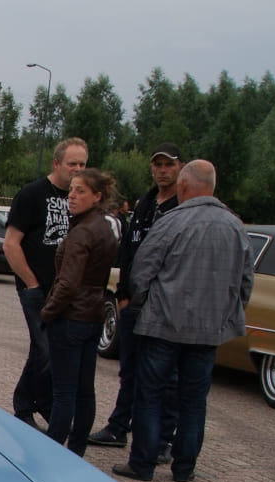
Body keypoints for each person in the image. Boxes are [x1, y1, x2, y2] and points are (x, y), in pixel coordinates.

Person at [113, 160, 254, 482]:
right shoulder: (235, 227)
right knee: (194, 399)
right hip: (207, 331)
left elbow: (142, 270)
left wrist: (142, 304)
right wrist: (226, 314)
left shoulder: (171, 221)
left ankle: (143, 462)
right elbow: (245, 282)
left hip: (163, 324)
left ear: (184, 187)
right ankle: (184, 467)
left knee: (150, 393)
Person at [87, 143, 184, 459]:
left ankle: (164, 439)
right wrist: (124, 296)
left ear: (180, 167)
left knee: (165, 376)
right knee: (129, 370)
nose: (162, 170)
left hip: (165, 307)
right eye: (157, 165)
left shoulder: (183, 206)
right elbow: (128, 251)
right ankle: (118, 426)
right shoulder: (145, 204)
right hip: (134, 304)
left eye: (168, 165)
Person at [4, 137, 89, 428]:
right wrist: (31, 284)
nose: (76, 170)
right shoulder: (32, 194)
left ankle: (29, 403)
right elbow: (11, 244)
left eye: (82, 165)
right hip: (36, 287)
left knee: (47, 349)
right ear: (56, 164)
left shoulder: (80, 199)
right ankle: (35, 404)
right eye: (71, 164)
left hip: (65, 291)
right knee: (45, 349)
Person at [39, 168, 121, 455]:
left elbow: (68, 284)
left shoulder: (83, 232)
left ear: (97, 196)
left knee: (64, 392)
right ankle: (76, 449)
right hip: (93, 316)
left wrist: (47, 313)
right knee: (85, 390)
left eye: (80, 191)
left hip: (72, 317)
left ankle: (53, 453)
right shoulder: (105, 226)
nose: (72, 196)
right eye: (71, 190)